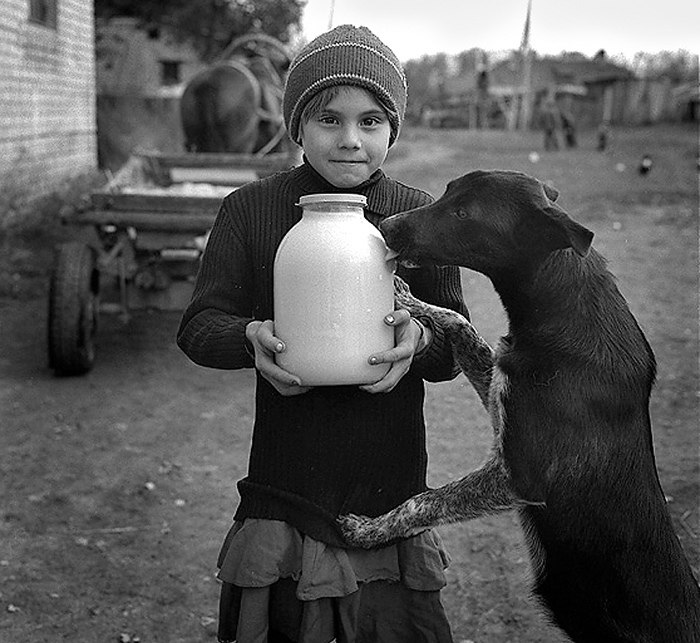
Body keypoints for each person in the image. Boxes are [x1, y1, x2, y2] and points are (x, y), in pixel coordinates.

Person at [177, 24, 469, 643]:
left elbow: (452, 348)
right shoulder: (250, 211)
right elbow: (199, 327)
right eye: (328, 119)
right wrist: (248, 337)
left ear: (393, 130)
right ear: (295, 126)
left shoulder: (420, 218)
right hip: (287, 482)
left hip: (388, 485)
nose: (349, 141)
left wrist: (419, 339)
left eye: (370, 122)